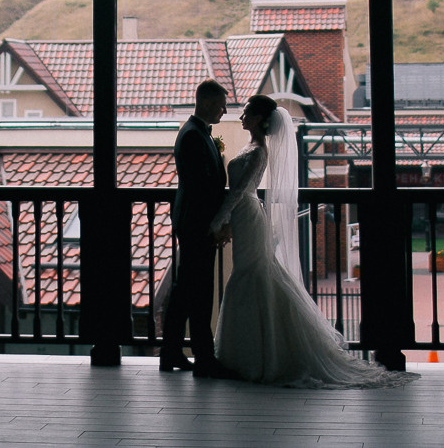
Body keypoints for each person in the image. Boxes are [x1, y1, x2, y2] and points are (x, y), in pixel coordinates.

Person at [211, 94, 417, 387]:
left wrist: (217, 222)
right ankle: (250, 352)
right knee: (251, 276)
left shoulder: (258, 151)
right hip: (245, 216)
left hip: (247, 212)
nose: (241, 117)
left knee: (251, 275)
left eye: (246, 113)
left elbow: (238, 190)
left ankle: (257, 355)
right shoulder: (251, 147)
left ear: (258, 118)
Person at [162, 79, 233, 377]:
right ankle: (202, 357)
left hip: (193, 220)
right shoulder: (193, 135)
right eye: (220, 105)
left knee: (186, 291)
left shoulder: (197, 132)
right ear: (205, 103)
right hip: (196, 222)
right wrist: (213, 225)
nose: (224, 110)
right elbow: (200, 187)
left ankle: (173, 353)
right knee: (198, 291)